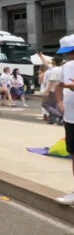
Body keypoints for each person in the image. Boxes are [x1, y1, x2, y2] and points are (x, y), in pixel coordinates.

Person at [54, 34, 74, 205]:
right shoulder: (66, 67)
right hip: (71, 118)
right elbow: (58, 86)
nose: (70, 55)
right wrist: (59, 101)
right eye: (68, 53)